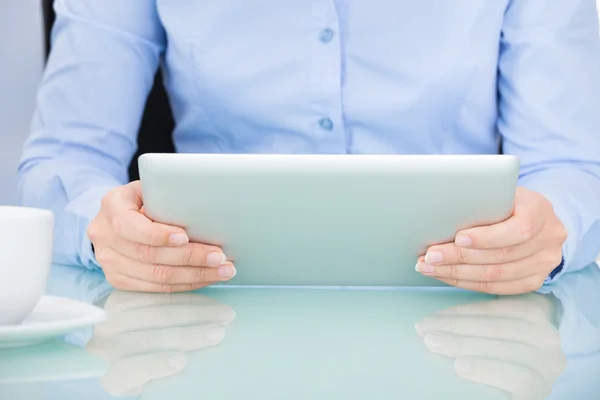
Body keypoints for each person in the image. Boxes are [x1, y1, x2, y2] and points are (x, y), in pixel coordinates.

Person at [18, 0, 600, 294]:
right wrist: (107, 232)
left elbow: (570, 165)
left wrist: (552, 231)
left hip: (468, 306)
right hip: (199, 304)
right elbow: (65, 157)